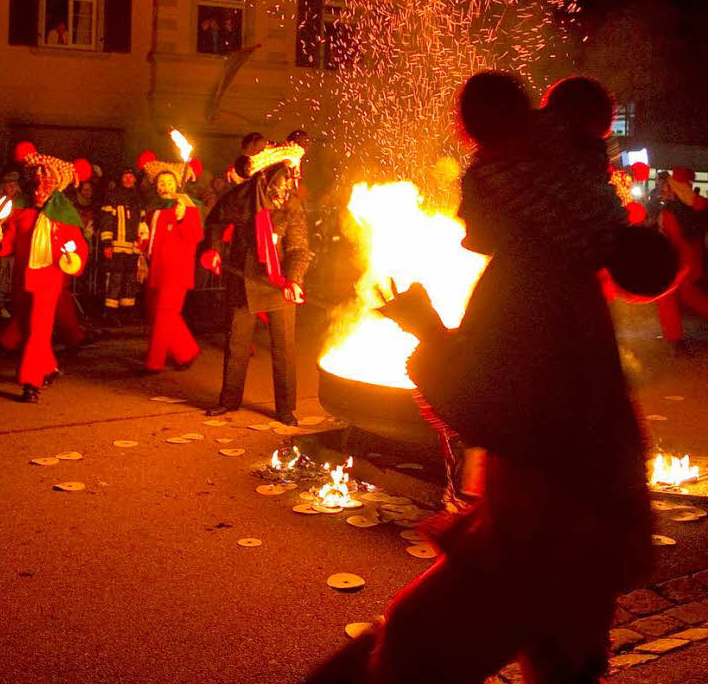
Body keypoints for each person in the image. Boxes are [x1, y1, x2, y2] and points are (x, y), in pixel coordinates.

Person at [304, 72, 652, 684]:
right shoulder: (555, 271)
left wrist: (427, 331)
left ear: (518, 206)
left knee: (411, 646)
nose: (463, 220)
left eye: (478, 198)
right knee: (562, 664)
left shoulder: (529, 277)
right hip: (585, 517)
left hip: (543, 529)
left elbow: (493, 404)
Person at [200, 161, 310, 425]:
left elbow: (298, 246)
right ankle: (228, 400)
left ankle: (285, 408)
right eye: (278, 187)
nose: (283, 193)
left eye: (287, 187)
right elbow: (215, 219)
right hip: (244, 279)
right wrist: (213, 250)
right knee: (236, 343)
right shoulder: (243, 198)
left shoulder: (292, 205)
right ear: (266, 181)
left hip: (278, 283)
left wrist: (294, 280)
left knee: (284, 347)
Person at [0, 162, 89, 403]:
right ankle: (49, 368)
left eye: (44, 186)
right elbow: (9, 244)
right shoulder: (22, 213)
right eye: (36, 185)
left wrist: (72, 257)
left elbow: (78, 248)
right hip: (22, 281)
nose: (38, 191)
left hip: (49, 281)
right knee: (28, 330)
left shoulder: (64, 216)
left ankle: (30, 381)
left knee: (38, 331)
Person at [139, 164, 203, 372]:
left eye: (168, 183)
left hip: (176, 271)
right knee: (162, 314)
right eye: (161, 183)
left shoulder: (187, 206)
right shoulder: (153, 211)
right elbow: (147, 240)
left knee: (165, 314)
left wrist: (182, 217)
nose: (165, 187)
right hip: (156, 269)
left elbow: (196, 236)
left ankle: (154, 362)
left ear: (176, 184)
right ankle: (187, 351)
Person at [656, 167, 708, 350]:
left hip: (679, 263)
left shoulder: (671, 212)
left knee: (668, 295)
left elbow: (666, 240)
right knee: (689, 294)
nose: (663, 190)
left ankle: (675, 338)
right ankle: (674, 337)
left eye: (665, 186)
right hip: (693, 262)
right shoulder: (696, 206)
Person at [99, 167, 144, 322]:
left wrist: (142, 240)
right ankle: (110, 312)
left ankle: (127, 312)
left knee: (130, 279)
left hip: (133, 246)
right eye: (125, 176)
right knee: (116, 279)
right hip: (117, 245)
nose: (128, 179)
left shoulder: (138, 197)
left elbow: (142, 221)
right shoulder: (112, 196)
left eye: (131, 176)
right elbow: (106, 220)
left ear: (135, 179)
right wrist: (106, 243)